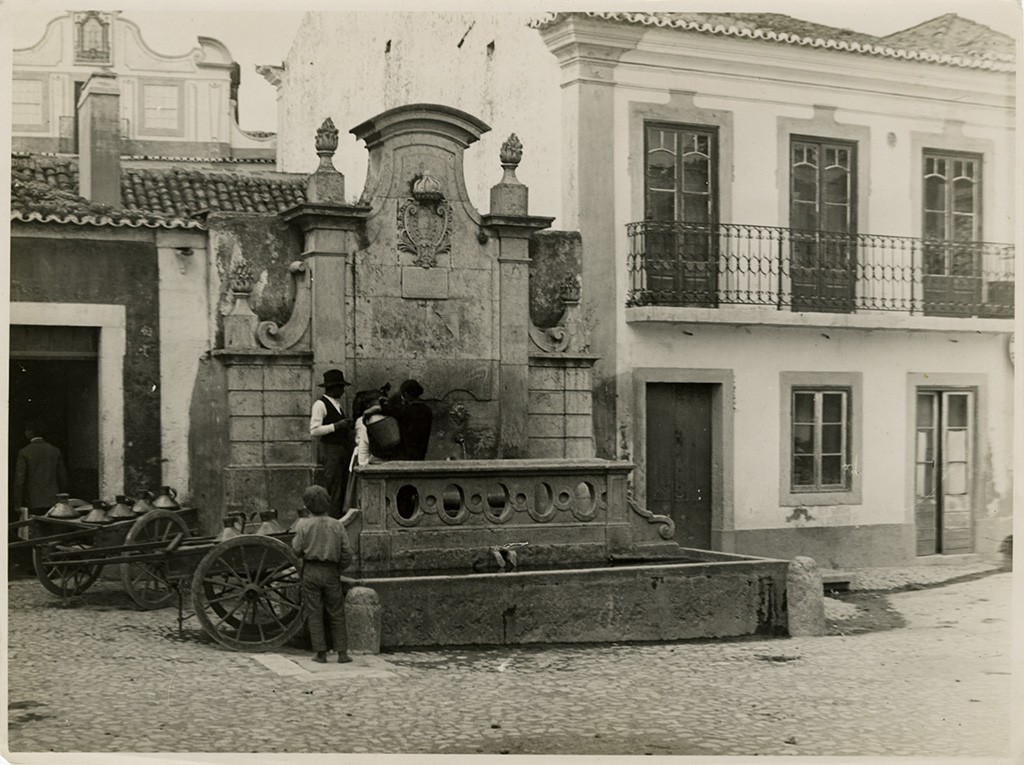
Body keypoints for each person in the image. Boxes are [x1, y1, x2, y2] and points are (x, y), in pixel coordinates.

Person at [291, 485, 355, 664]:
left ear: (307, 506)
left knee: (314, 612)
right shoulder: (337, 525)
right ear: (328, 503)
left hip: (311, 571)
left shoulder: (303, 525)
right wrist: (339, 568)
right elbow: (347, 552)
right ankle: (342, 652)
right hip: (331, 571)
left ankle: (320, 653)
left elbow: (296, 550)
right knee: (336, 612)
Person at [309, 369, 354, 519]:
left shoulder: (337, 405)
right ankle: (332, 518)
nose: (342, 391)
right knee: (334, 486)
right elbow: (314, 430)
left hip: (340, 449)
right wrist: (337, 425)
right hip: (330, 449)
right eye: (340, 387)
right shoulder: (320, 405)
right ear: (333, 387)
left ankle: (338, 517)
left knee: (340, 485)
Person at [13, 420, 67, 520]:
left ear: (30, 432)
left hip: (33, 501)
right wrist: (64, 501)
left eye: (26, 430)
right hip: (54, 501)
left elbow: (19, 480)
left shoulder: (24, 452)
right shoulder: (55, 450)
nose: (25, 433)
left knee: (35, 531)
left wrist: (17, 503)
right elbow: (62, 478)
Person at [380, 379, 433, 460]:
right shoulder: (427, 410)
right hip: (420, 454)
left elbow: (386, 410)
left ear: (406, 394)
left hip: (405, 455)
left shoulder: (405, 411)